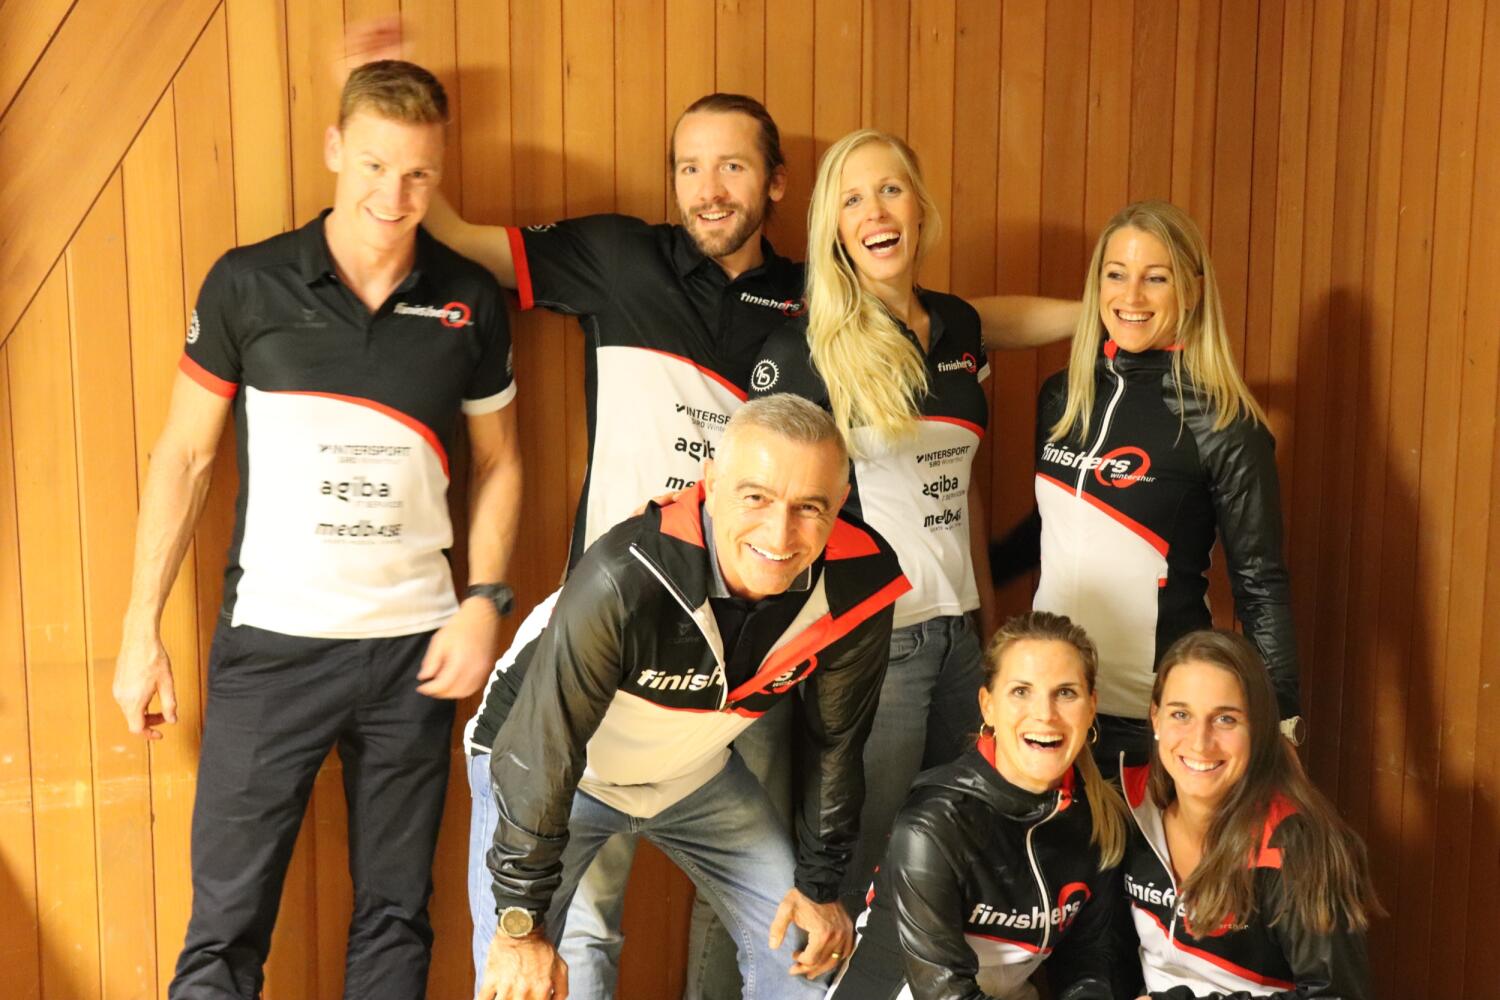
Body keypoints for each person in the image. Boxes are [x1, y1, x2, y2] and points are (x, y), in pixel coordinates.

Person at [421, 90, 1080, 996]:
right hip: (591, 729)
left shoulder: (848, 563)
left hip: (706, 746)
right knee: (565, 947)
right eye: (689, 167)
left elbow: (836, 761)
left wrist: (1105, 307)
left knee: (799, 933)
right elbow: (538, 749)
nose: (708, 187)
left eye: (732, 165)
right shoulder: (633, 274)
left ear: (775, 184)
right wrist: (521, 923)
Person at [110, 61, 523, 998]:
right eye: (374, 165)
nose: (394, 195)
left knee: (395, 918)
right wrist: (140, 631)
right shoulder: (247, 283)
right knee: (224, 931)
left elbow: (502, 462)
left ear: (440, 171)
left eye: (418, 174)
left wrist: (484, 603)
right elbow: (184, 458)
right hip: (271, 652)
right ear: (335, 148)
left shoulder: (468, 298)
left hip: (415, 655)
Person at [475, 395, 908, 1000]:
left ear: (840, 503)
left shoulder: (859, 579)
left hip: (691, 776)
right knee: (523, 983)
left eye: (810, 507)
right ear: (711, 483)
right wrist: (520, 924)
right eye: (755, 497)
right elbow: (542, 748)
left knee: (800, 949)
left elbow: (836, 740)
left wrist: (819, 885)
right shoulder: (624, 575)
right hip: (562, 775)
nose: (780, 533)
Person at [748, 129, 999, 915]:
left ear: (920, 206)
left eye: (890, 190)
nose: (876, 211)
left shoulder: (958, 327)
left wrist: (986, 623)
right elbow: (760, 506)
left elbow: (964, 494)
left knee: (954, 861)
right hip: (875, 646)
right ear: (833, 227)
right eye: (852, 199)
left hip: (959, 639)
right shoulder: (806, 349)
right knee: (851, 874)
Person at [992, 200, 1299, 774]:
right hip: (1050, 709)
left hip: (1153, 716)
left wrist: (1281, 728)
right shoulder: (1063, 396)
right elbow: (1060, 522)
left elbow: (1260, 585)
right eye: (1116, 274)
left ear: (1193, 290)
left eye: (1156, 278)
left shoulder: (1223, 423)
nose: (1131, 296)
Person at [828, 611, 1126, 1000]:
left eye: (1066, 693)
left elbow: (1087, 959)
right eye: (1021, 691)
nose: (1045, 714)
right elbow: (945, 993)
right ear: (987, 706)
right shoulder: (934, 823)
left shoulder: (1098, 817)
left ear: (1091, 707)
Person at [1122, 630, 1378, 999]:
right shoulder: (1129, 806)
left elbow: (1338, 996)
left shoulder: (1295, 845)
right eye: (1181, 714)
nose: (1199, 742)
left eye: (1225, 719)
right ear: (1155, 718)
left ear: (1258, 729)